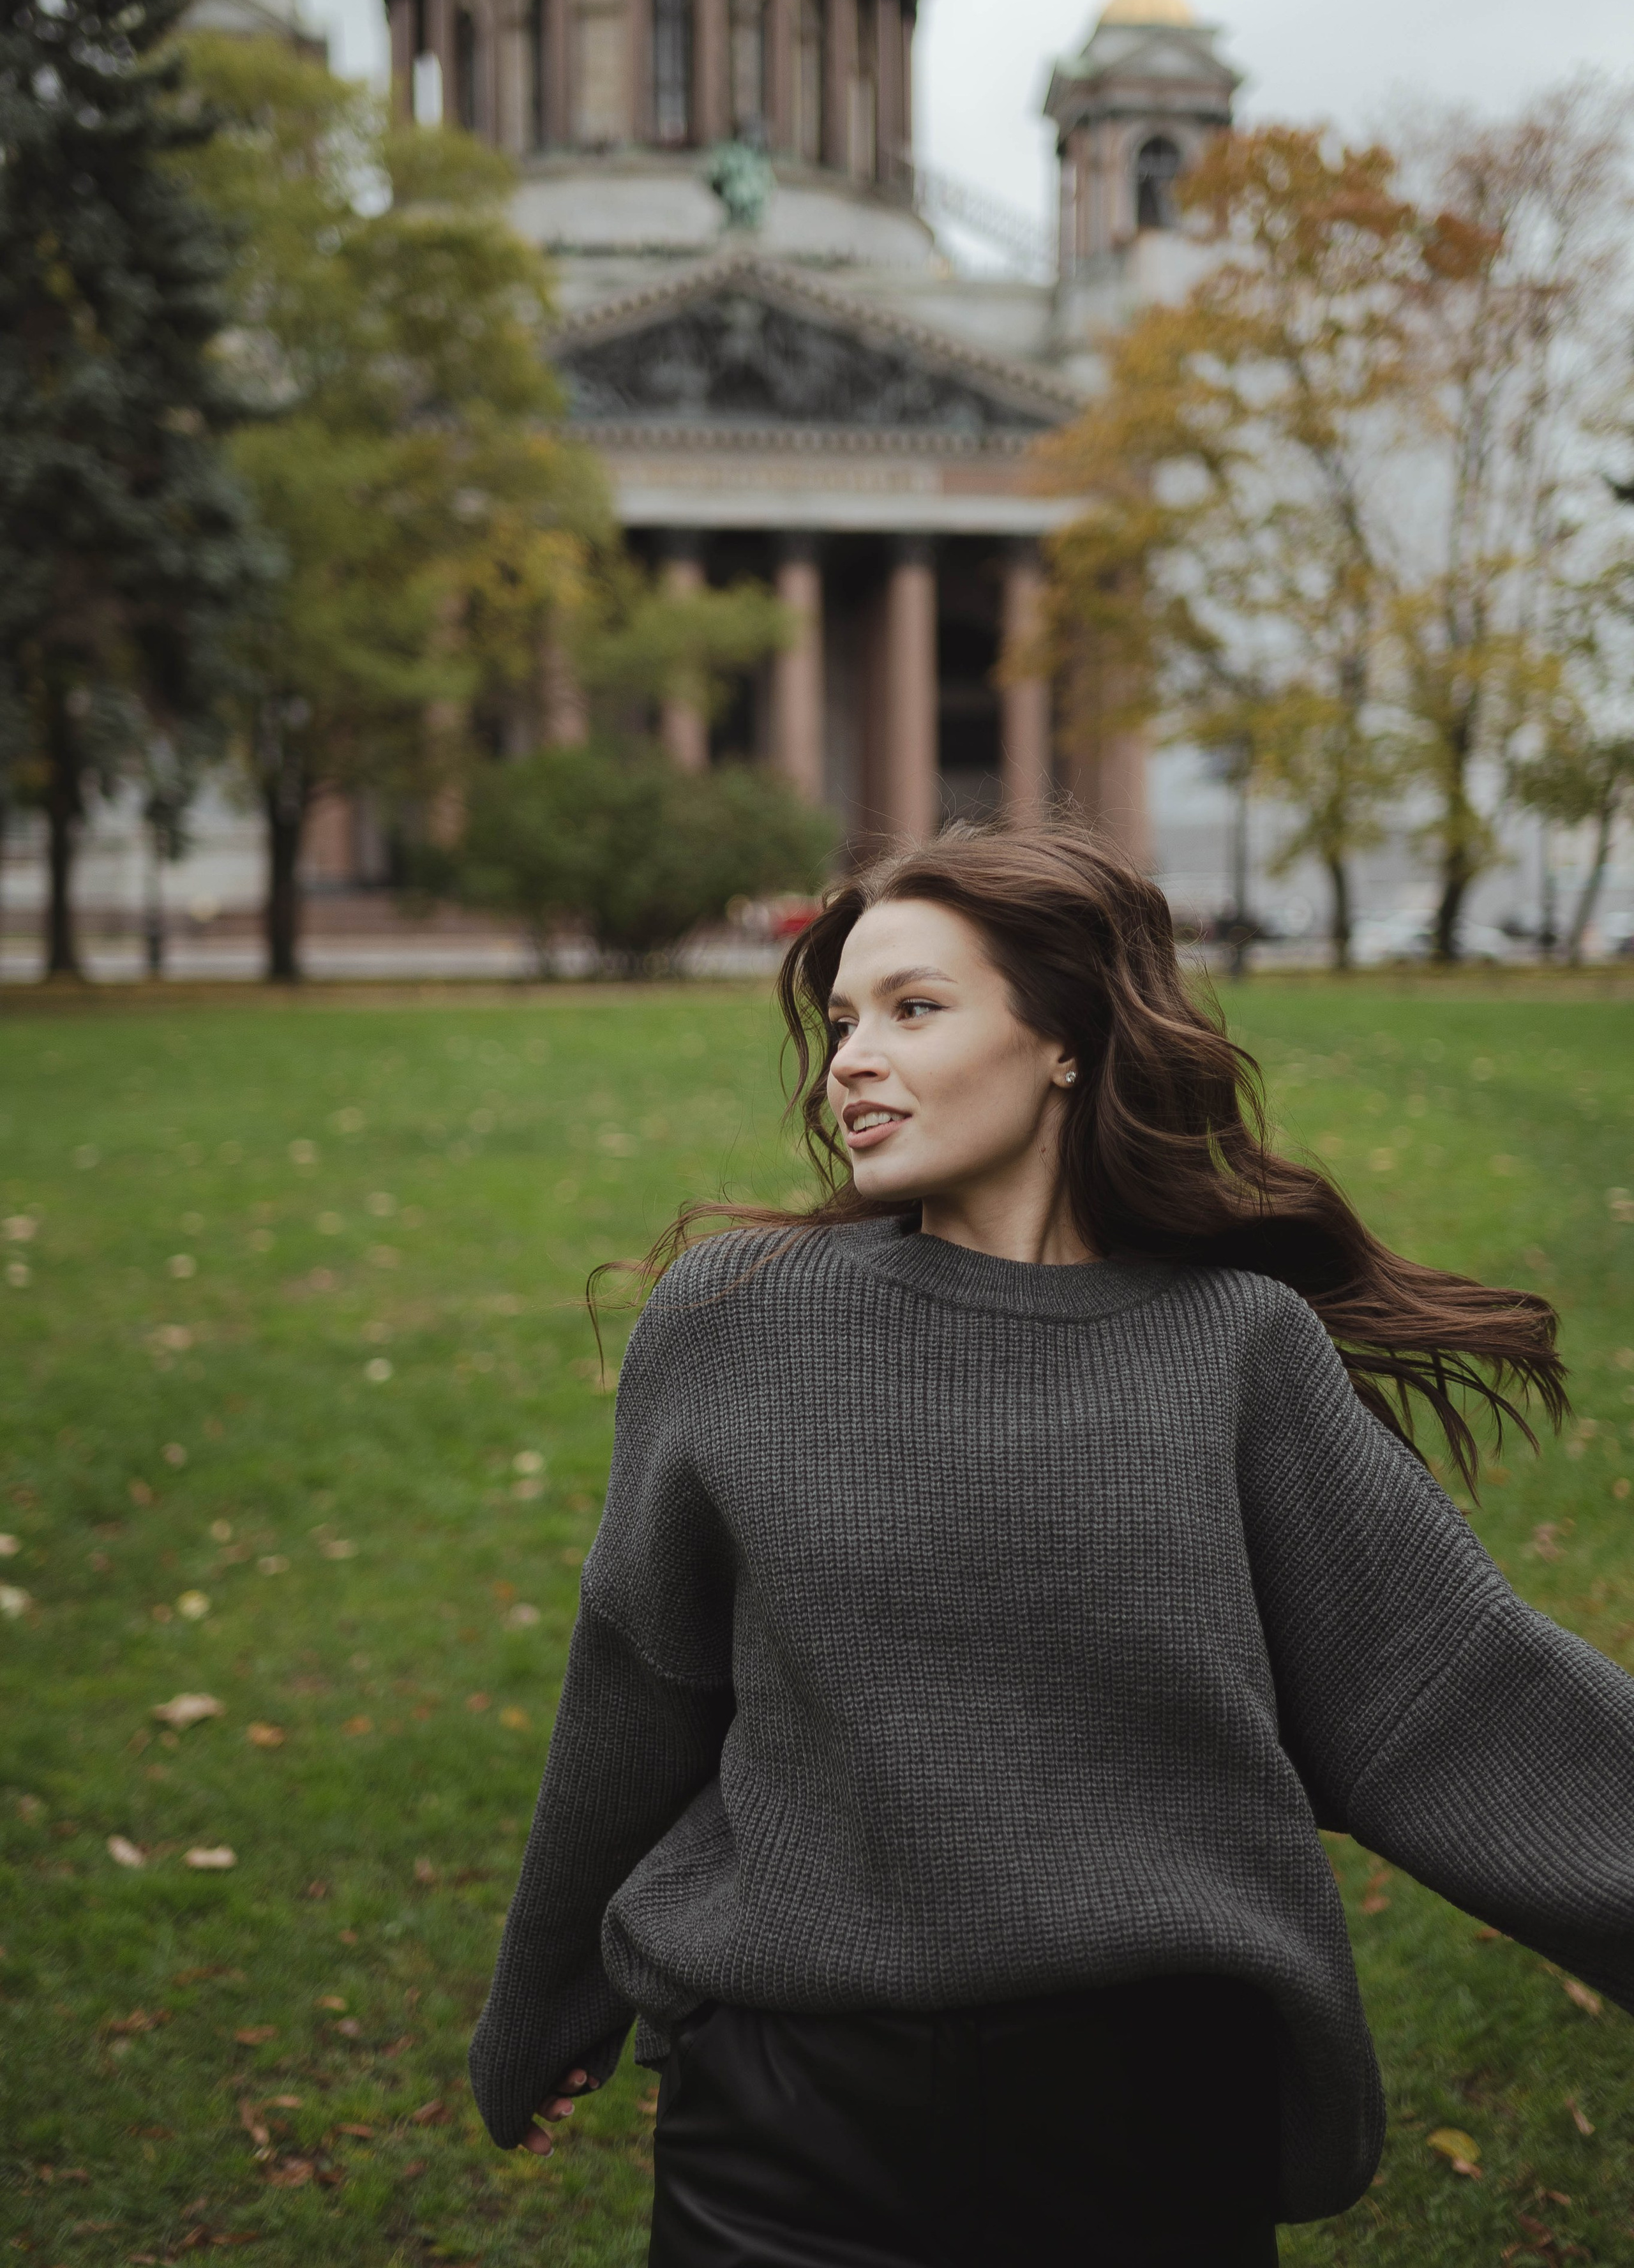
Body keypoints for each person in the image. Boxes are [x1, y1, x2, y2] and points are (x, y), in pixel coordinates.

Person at [469, 820, 1634, 2267]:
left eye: (912, 1008)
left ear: (1064, 1038)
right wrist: (542, 1996)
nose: (849, 1058)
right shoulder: (734, 1324)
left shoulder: (1233, 1348)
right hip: (788, 2121)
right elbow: (636, 1691)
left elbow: (1449, 1699)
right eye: (839, 1019)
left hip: (1146, 2125)